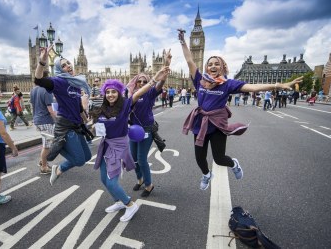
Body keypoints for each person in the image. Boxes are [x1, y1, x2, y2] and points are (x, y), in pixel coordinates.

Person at [178, 30, 303, 190]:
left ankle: (234, 164)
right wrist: (182, 41)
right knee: (199, 158)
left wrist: (277, 85)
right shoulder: (200, 80)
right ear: (206, 68)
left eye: (217, 64)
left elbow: (253, 87)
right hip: (200, 124)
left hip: (216, 125)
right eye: (210, 64)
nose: (213, 66)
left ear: (222, 67)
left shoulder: (228, 84)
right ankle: (206, 174)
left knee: (219, 158)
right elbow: (189, 60)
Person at [91, 66, 170, 221]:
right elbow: (97, 128)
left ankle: (130, 204)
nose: (110, 94)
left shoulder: (125, 104)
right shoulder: (103, 108)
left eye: (114, 91)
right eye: (108, 92)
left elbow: (141, 91)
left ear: (119, 93)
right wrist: (94, 127)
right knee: (103, 179)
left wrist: (156, 77)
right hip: (105, 145)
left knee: (112, 182)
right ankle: (119, 201)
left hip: (118, 146)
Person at [34, 45, 92, 186]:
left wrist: (86, 120)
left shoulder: (76, 83)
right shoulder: (58, 82)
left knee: (88, 156)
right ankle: (58, 156)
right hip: (66, 125)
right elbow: (38, 80)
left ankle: (57, 168)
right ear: (60, 70)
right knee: (78, 160)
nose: (68, 66)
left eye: (68, 63)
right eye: (64, 65)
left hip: (77, 124)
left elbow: (78, 106)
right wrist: (42, 61)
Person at [125, 50, 171, 198]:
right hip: (133, 130)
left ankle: (149, 185)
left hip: (146, 129)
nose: (143, 83)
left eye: (145, 81)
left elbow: (161, 82)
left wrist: (165, 65)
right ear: (136, 82)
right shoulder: (131, 95)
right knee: (133, 158)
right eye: (140, 81)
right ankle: (140, 179)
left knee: (142, 158)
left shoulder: (150, 93)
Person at [30, 81, 56, 174]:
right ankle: (44, 167)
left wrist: (34, 120)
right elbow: (51, 110)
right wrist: (57, 120)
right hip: (46, 121)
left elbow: (32, 107)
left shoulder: (33, 90)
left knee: (46, 144)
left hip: (38, 120)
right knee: (47, 146)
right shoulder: (47, 91)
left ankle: (43, 161)